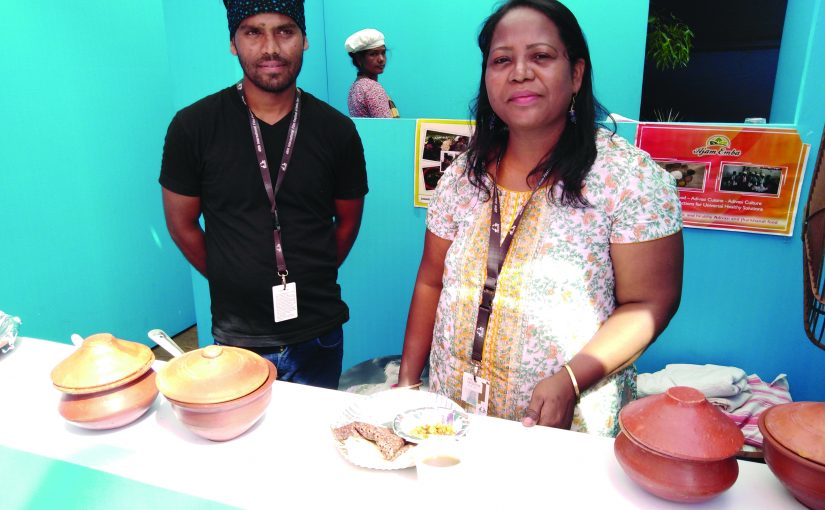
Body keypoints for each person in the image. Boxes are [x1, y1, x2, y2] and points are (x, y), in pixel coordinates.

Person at [396, 0, 683, 437]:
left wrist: (572, 380)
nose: (520, 72)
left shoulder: (629, 179)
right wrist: (408, 383)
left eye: (542, 56)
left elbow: (649, 303)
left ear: (577, 74)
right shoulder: (461, 175)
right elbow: (431, 281)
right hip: (451, 415)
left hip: (564, 426)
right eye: (502, 60)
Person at [159, 0, 368, 390]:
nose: (270, 47)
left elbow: (349, 222)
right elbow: (181, 224)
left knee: (312, 443)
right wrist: (230, 275)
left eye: (285, 31)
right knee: (241, 445)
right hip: (239, 334)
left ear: (304, 40)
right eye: (253, 32)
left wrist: (312, 274)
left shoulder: (336, 131)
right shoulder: (194, 127)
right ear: (233, 43)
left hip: (318, 329)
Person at [345, 28, 400, 118]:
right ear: (359, 59)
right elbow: (386, 128)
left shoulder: (356, 86)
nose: (381, 59)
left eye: (383, 52)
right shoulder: (372, 88)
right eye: (373, 54)